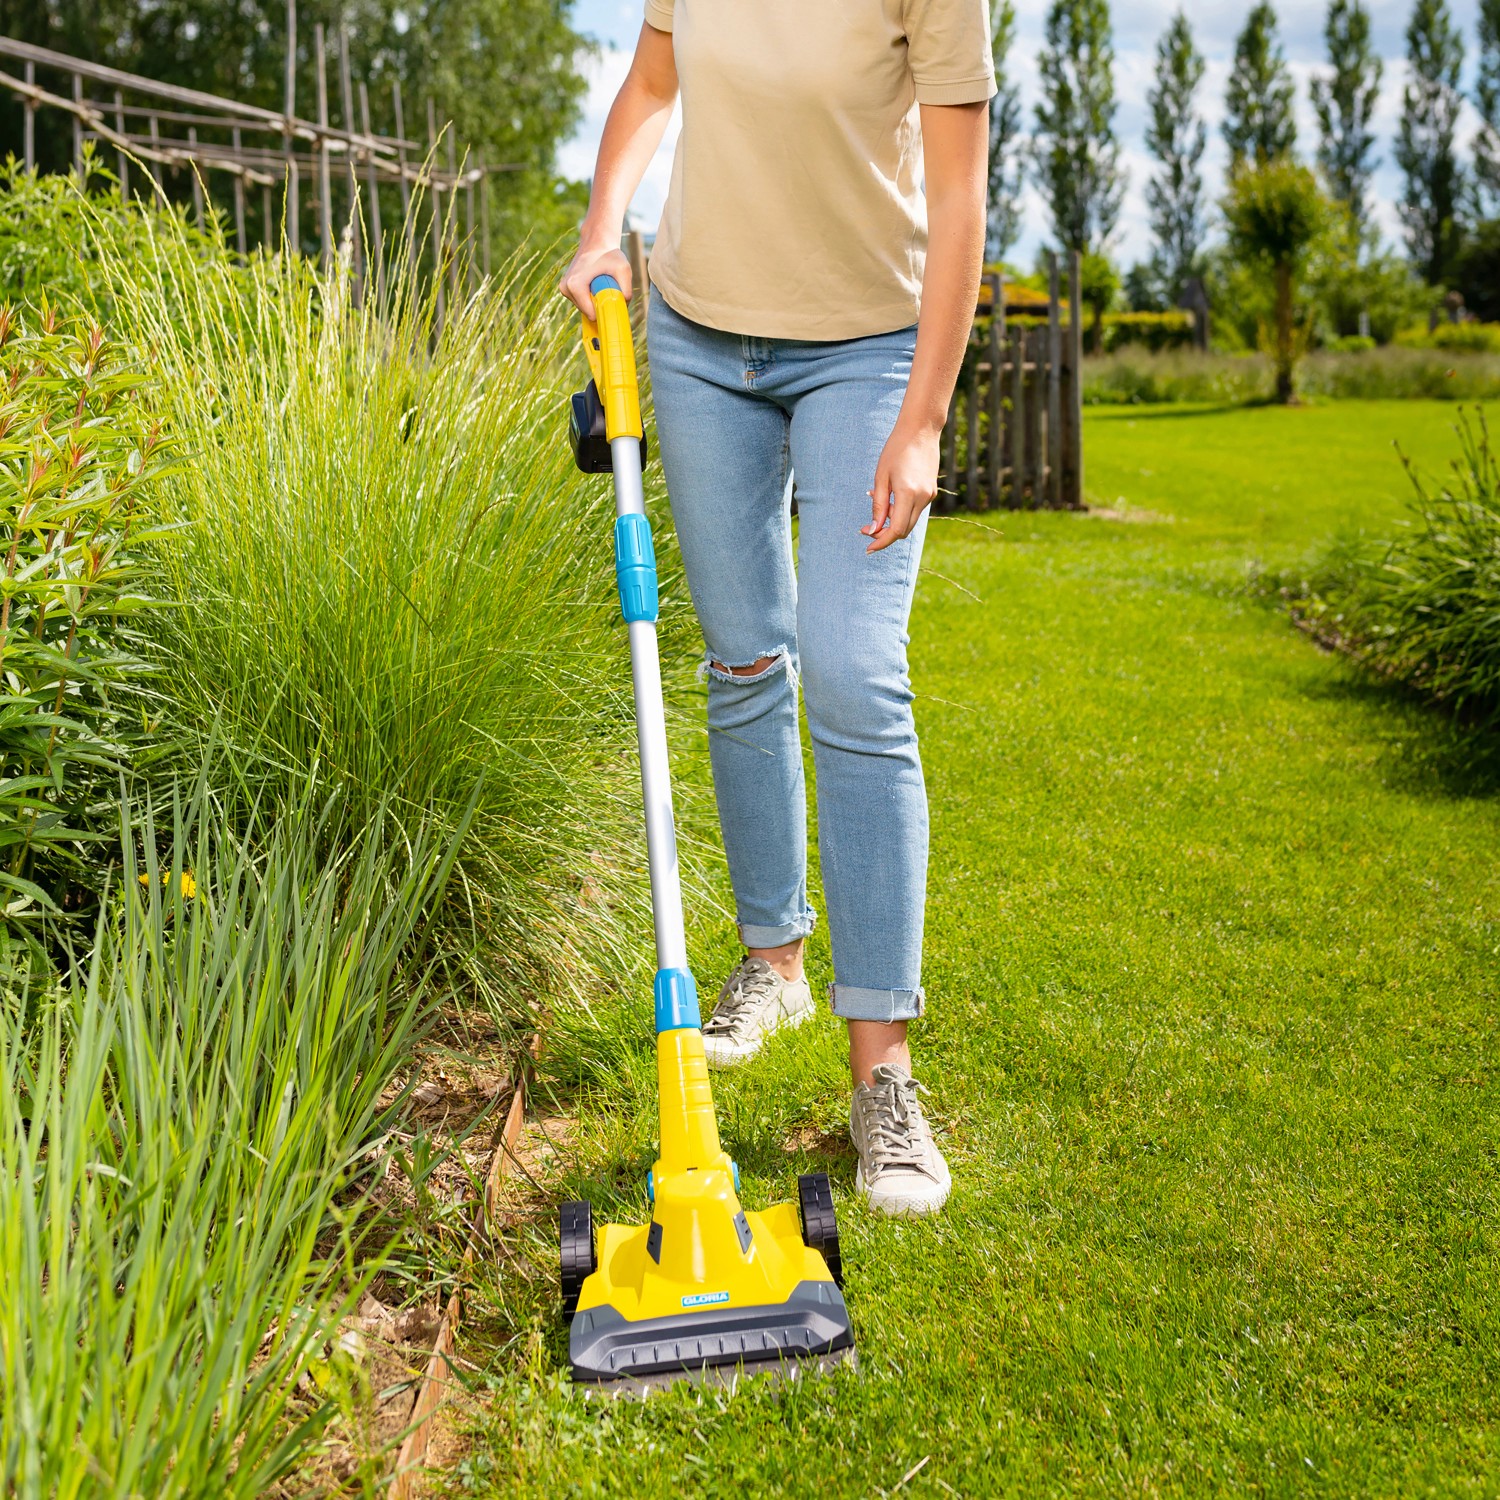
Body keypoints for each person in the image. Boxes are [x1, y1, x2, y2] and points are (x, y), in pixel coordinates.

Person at [559, 0, 994, 1217]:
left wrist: (925, 420)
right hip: (698, 343)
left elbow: (959, 202)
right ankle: (773, 961)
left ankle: (884, 1077)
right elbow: (649, 93)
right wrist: (605, 230)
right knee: (745, 658)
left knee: (857, 675)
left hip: (869, 349)